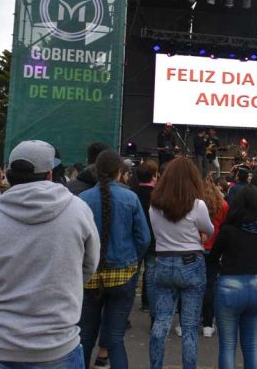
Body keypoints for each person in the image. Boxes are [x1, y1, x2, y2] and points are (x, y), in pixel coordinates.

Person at [0, 140, 100, 367]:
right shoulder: (78, 211)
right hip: (58, 342)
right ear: (49, 175)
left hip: (0, 345)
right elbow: (89, 265)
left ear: (8, 173)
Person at [78, 149, 150, 369]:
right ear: (120, 172)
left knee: (85, 338)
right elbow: (144, 238)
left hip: (90, 277)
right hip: (123, 276)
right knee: (116, 339)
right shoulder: (131, 198)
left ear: (96, 171)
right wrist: (132, 263)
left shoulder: (83, 199)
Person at [148, 156, 214, 369]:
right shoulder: (198, 205)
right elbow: (210, 229)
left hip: (164, 262)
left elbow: (157, 232)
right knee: (189, 326)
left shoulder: (154, 205)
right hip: (191, 264)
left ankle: (155, 365)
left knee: (161, 322)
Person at [209, 185, 257, 369]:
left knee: (228, 345)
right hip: (256, 285)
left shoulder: (229, 230)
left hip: (229, 285)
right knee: (251, 344)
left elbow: (213, 258)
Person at [202, 175, 230, 338]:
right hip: (214, 248)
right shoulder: (223, 205)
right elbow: (225, 226)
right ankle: (207, 322)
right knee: (210, 285)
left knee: (194, 286)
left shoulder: (196, 204)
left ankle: (190, 321)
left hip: (198, 247)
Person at [133, 161, 159, 315]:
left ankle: (124, 317)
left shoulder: (131, 193)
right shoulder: (158, 195)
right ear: (154, 176)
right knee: (151, 278)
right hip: (154, 240)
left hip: (135, 240)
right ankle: (152, 314)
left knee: (132, 277)